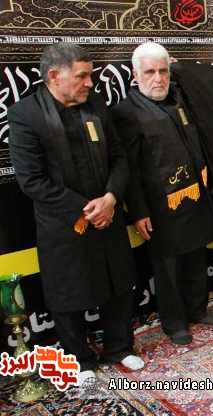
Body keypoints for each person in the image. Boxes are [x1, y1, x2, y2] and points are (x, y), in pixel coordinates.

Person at [8, 43, 144, 386]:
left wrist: (110, 198)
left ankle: (119, 347)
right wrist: (87, 209)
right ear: (55, 76)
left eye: (91, 75)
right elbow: (31, 180)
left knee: (117, 281)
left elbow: (119, 157)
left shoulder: (95, 103)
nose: (89, 83)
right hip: (64, 222)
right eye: (82, 76)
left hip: (108, 213)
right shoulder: (26, 114)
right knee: (67, 292)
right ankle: (79, 359)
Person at [112, 42, 213, 346]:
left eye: (163, 71)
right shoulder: (126, 112)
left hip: (193, 196)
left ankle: (198, 309)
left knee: (196, 255)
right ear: (135, 75)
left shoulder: (178, 100)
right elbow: (129, 169)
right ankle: (174, 323)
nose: (158, 78)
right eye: (150, 72)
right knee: (169, 268)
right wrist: (138, 212)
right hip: (159, 204)